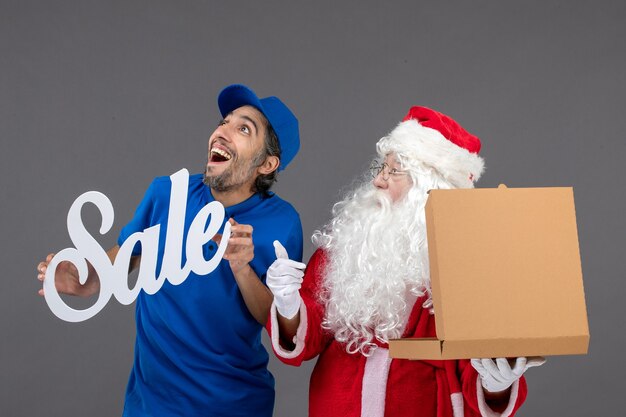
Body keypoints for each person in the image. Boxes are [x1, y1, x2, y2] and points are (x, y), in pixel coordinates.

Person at [37, 84, 303, 417]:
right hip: (151, 404)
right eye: (224, 121)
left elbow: (285, 330)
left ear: (266, 164)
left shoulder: (282, 224)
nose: (222, 132)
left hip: (233, 403)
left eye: (243, 129)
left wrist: (241, 268)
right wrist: (82, 281)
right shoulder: (167, 195)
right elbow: (119, 265)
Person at [266, 106, 544, 417]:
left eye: (394, 171)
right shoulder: (348, 246)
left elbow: (478, 374)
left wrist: (497, 382)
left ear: (429, 188)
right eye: (380, 168)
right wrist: (289, 305)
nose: (378, 181)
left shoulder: (471, 267)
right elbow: (308, 335)